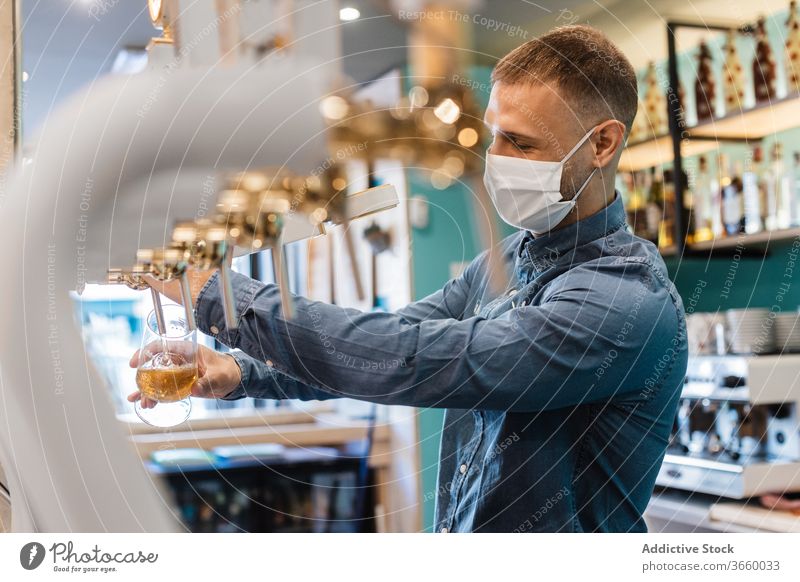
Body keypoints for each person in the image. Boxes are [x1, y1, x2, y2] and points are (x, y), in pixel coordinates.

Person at [130, 25, 688, 532]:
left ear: (602, 144)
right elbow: (382, 336)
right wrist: (240, 371)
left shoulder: (623, 303)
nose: (495, 158)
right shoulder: (514, 259)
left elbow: (412, 356)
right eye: (493, 136)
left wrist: (217, 295)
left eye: (520, 142)